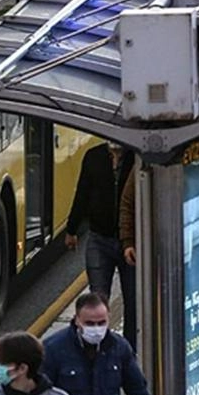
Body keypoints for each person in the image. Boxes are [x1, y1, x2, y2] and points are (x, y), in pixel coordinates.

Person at [65, 141, 137, 349]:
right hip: (99, 238)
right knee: (97, 298)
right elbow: (82, 192)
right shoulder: (93, 157)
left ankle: (129, 352)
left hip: (130, 243)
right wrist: (72, 229)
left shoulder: (137, 157)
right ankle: (98, 348)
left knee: (133, 301)